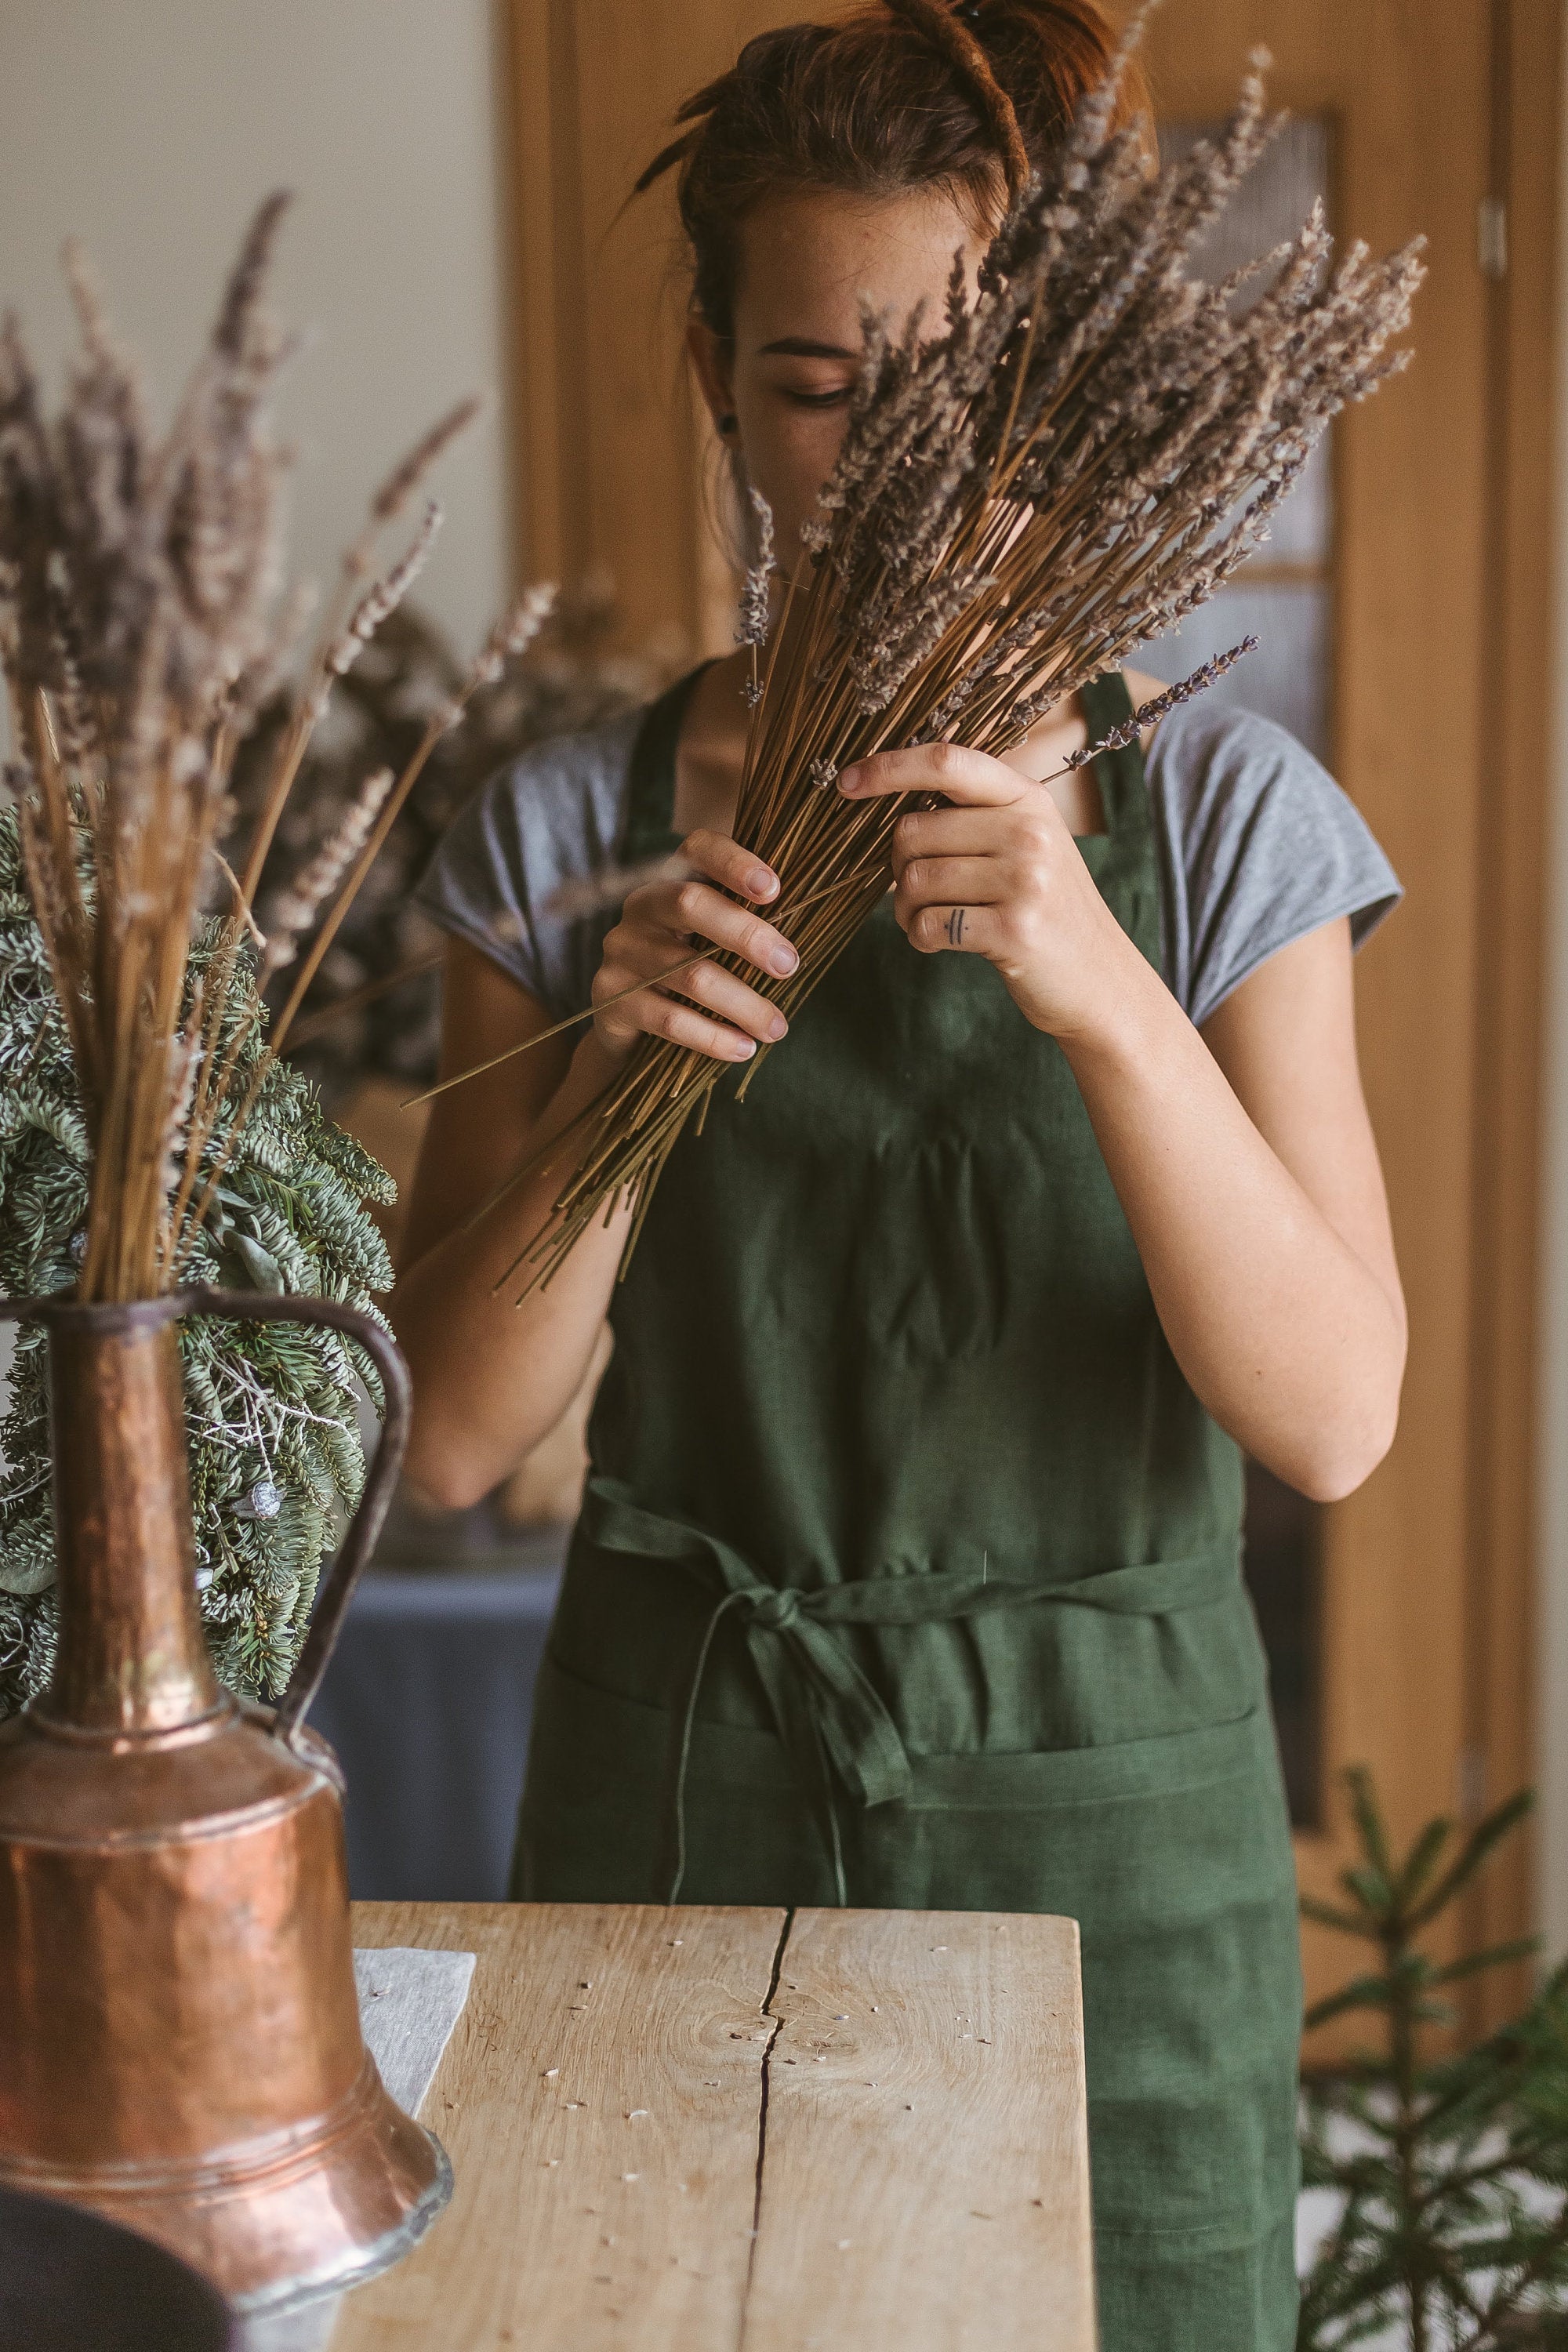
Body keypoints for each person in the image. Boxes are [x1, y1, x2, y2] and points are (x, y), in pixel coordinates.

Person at [391, 5, 1406, 2342]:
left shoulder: (1230, 822)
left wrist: (1101, 986)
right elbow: (448, 1440)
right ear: (721, 379)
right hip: (683, 1798)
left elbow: (1337, 1416)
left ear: (1055, 378)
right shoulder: (560, 838)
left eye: (955, 375)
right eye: (822, 383)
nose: (889, 454)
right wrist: (607, 1063)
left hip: (1113, 1853)